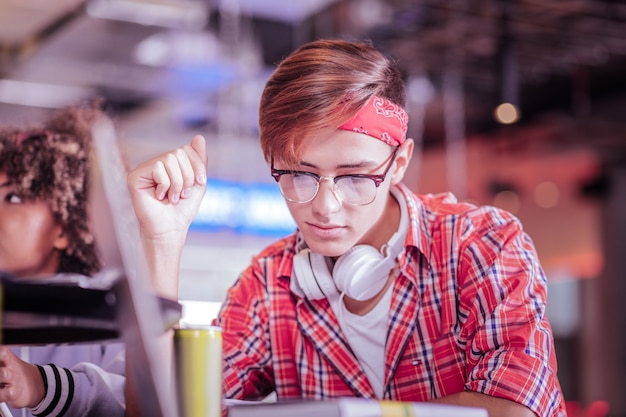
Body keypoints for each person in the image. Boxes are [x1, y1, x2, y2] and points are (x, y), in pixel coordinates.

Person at [127, 39, 567, 417]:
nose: (324, 207)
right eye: (300, 174)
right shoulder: (268, 285)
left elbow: (516, 407)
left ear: (399, 163)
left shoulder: (482, 246)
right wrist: (161, 242)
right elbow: (167, 409)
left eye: (356, 177)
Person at [0, 103, 125, 417]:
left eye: (13, 198)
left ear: (67, 226)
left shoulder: (111, 312)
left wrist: (40, 387)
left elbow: (133, 403)